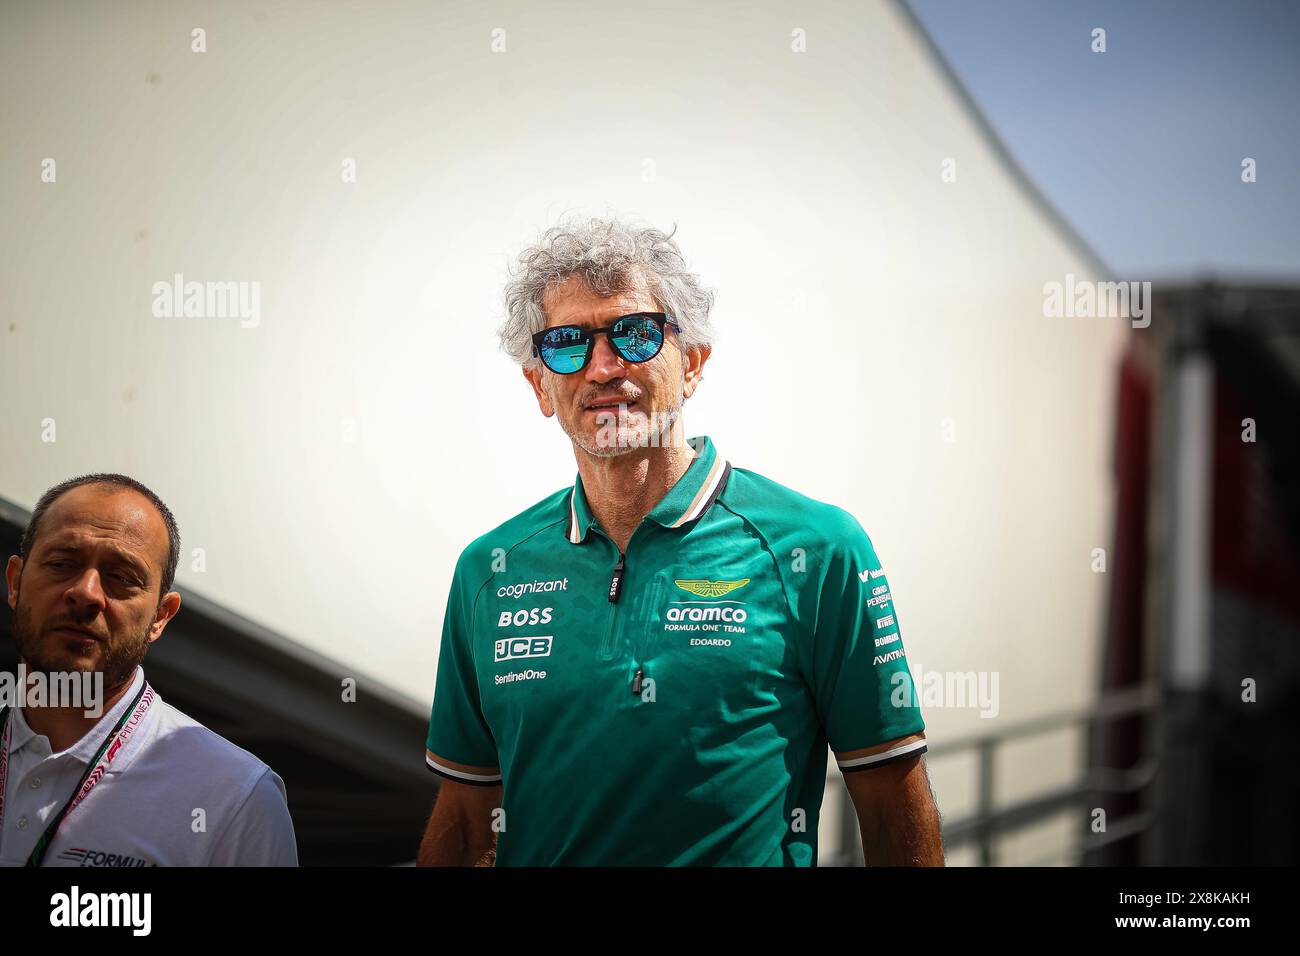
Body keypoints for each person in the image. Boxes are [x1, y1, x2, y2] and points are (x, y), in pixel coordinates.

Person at [418, 216, 942, 866]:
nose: (603, 367)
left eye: (635, 335)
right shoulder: (488, 571)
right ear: (539, 386)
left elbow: (893, 814)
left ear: (691, 363)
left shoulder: (819, 549)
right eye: (566, 344)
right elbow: (467, 827)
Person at [1, 474, 298, 866]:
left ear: (160, 617)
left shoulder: (236, 797)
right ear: (16, 582)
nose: (86, 593)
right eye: (61, 563)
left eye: (121, 577)